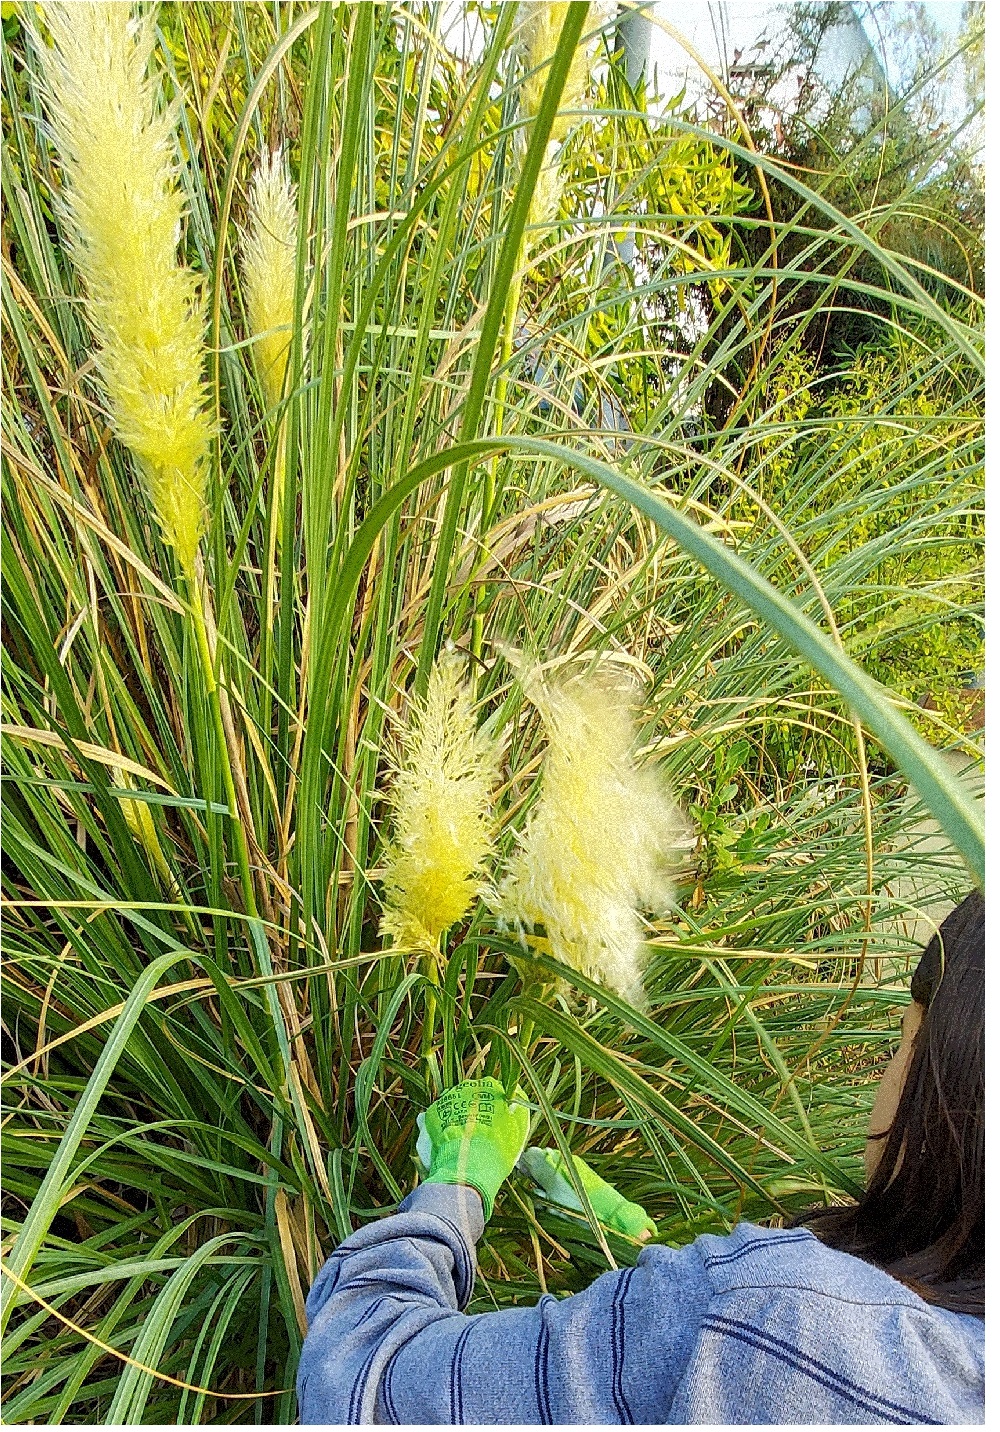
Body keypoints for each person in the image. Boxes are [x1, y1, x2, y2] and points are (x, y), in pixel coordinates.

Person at [297, 891, 984, 1424]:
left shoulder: (776, 1314)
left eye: (907, 1041)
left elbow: (358, 1382)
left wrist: (454, 1186)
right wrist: (642, 1246)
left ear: (946, 1084)